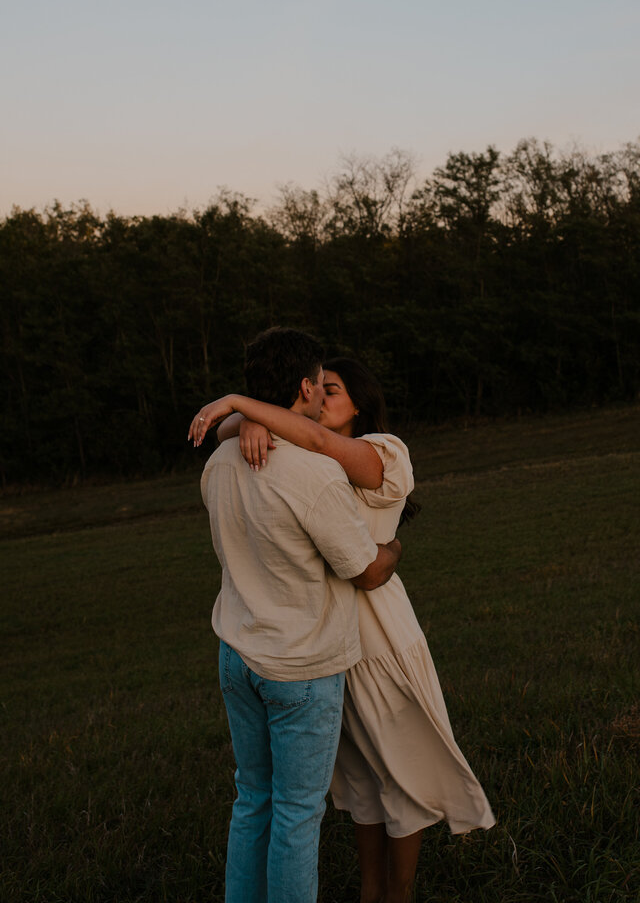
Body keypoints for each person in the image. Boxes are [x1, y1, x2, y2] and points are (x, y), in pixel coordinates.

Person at [190, 355, 495, 903]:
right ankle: (369, 891)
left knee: (402, 776)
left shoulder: (384, 450)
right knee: (359, 785)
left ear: (360, 404)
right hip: (321, 642)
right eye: (317, 389)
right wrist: (256, 418)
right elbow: (270, 432)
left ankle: (397, 896)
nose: (321, 397)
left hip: (376, 633)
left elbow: (317, 442)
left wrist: (245, 407)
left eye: (333, 390)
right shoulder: (294, 449)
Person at [195, 328, 402, 903]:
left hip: (236, 655)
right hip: (300, 668)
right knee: (295, 812)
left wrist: (243, 418)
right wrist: (394, 551)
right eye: (319, 384)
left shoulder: (218, 465)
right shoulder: (314, 475)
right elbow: (363, 569)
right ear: (306, 387)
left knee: (252, 798)